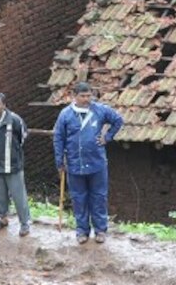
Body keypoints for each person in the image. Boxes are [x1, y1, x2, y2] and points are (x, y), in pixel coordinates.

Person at [53, 81, 124, 244]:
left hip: (97, 163)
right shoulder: (65, 115)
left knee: (99, 197)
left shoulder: (100, 110)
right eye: (83, 96)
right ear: (74, 96)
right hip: (74, 164)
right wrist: (59, 161)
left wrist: (107, 137)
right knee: (79, 198)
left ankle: (100, 230)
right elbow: (58, 138)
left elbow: (118, 120)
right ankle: (82, 231)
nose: (86, 99)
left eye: (88, 95)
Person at [0, 93, 31, 236]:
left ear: (4, 105)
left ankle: (24, 223)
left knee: (18, 195)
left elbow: (23, 136)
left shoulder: (14, 120)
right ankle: (2, 219)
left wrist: (12, 152)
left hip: (12, 165)